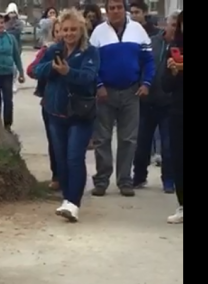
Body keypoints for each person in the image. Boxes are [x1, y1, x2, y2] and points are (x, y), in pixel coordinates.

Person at [33, 8, 99, 222]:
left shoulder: (91, 52)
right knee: (61, 160)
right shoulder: (54, 50)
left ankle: (73, 202)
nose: (69, 33)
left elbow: (89, 78)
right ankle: (66, 198)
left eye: (73, 29)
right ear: (60, 31)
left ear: (81, 30)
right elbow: (35, 70)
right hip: (55, 113)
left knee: (74, 157)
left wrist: (68, 72)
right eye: (66, 30)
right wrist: (52, 69)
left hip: (80, 114)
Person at [89, 0, 154, 197]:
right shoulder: (98, 32)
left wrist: (146, 83)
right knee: (102, 139)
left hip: (131, 92)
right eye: (111, 8)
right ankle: (101, 181)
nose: (115, 11)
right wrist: (98, 85)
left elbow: (148, 60)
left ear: (124, 9)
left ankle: (125, 180)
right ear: (106, 11)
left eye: (119, 7)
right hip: (105, 93)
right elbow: (91, 62)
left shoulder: (138, 30)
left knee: (128, 139)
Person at [132, 11, 178, 193]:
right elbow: (142, 63)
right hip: (147, 100)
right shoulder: (152, 42)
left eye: (178, 26)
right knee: (141, 143)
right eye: (173, 25)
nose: (175, 29)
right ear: (166, 25)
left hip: (168, 103)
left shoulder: (180, 46)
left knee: (168, 146)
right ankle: (139, 176)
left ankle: (168, 180)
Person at [28, 17, 61, 190]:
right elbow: (32, 70)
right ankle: (57, 175)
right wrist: (50, 67)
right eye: (58, 31)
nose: (63, 34)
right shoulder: (48, 50)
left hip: (75, 104)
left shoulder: (82, 51)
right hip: (50, 102)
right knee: (54, 141)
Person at [0, 13, 25, 132]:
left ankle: (7, 124)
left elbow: (16, 56)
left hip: (8, 73)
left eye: (2, 23)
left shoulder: (11, 38)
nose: (0, 25)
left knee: (8, 100)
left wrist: (21, 72)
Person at [163, 10, 183, 224]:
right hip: (178, 111)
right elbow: (165, 86)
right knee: (178, 159)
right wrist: (173, 72)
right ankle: (182, 205)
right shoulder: (174, 49)